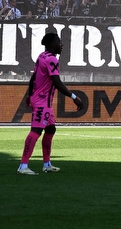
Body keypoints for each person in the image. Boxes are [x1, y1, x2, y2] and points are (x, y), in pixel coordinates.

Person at [18, 32, 83, 175]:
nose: (61, 45)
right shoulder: (52, 60)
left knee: (51, 129)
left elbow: (33, 77)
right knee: (35, 131)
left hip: (42, 100)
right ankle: (23, 166)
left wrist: (30, 95)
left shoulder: (42, 56)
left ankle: (47, 164)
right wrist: (74, 97)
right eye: (59, 42)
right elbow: (56, 82)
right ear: (52, 44)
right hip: (42, 101)